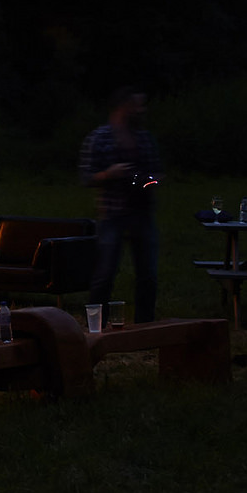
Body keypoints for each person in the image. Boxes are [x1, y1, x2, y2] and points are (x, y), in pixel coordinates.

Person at [79, 87, 161, 324]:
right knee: (104, 274)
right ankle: (96, 325)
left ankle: (145, 325)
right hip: (112, 215)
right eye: (137, 105)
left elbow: (157, 173)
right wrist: (109, 174)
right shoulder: (99, 138)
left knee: (148, 275)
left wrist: (147, 181)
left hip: (142, 213)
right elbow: (86, 176)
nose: (142, 110)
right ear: (123, 107)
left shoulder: (144, 138)